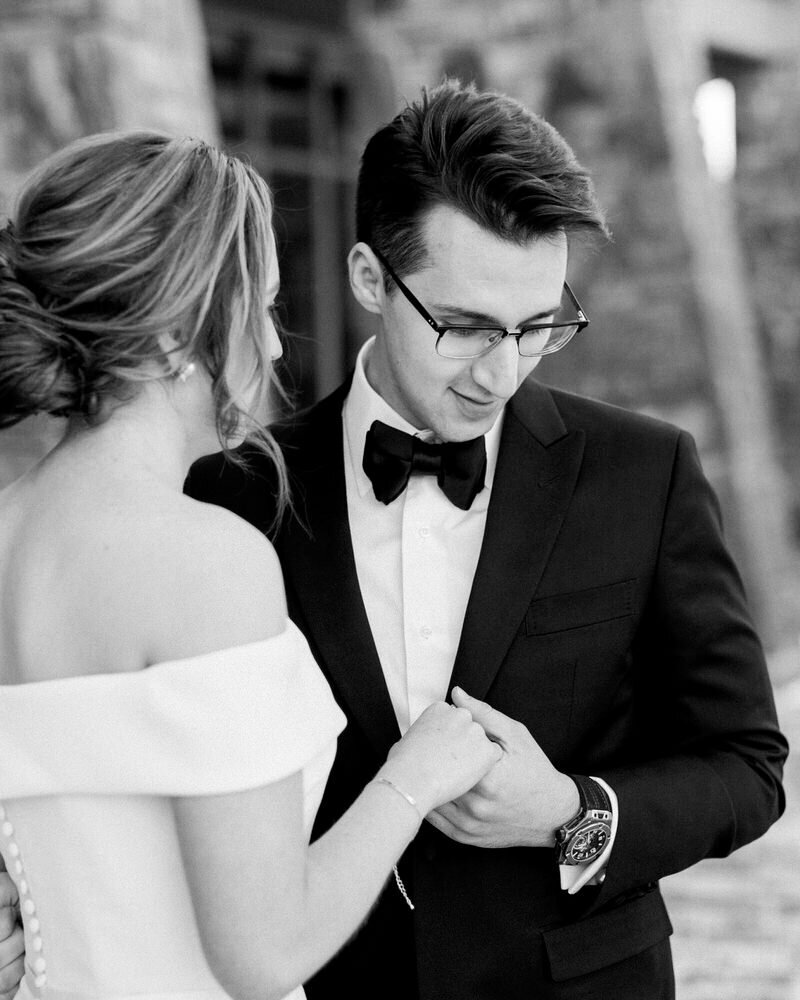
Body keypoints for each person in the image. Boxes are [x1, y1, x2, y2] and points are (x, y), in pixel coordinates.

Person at [186, 81, 788, 1000]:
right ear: (369, 279)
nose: (502, 370)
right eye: (466, 328)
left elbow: (746, 766)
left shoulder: (644, 471)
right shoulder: (236, 494)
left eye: (540, 325)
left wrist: (570, 813)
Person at [0, 129, 503, 1000]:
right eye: (260, 310)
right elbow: (266, 952)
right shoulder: (204, 561)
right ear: (170, 339)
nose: (274, 348)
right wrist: (411, 781)